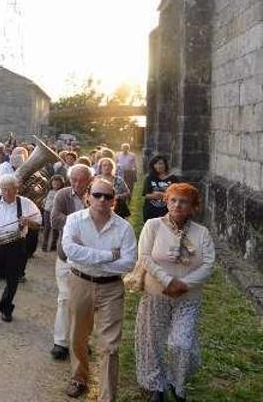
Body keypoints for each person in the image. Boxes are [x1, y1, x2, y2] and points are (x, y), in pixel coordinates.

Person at [134, 183, 214, 402]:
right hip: (156, 293)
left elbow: (208, 265)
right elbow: (145, 257)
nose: (178, 205)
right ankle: (156, 386)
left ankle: (177, 384)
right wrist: (168, 281)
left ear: (193, 207)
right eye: (173, 200)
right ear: (166, 202)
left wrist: (184, 284)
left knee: (182, 344)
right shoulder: (153, 226)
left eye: (184, 201)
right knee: (153, 341)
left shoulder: (202, 233)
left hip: (188, 298)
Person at [62, 178, 137, 401]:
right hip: (80, 282)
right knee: (77, 336)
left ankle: (107, 395)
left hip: (111, 287)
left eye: (108, 196)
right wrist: (108, 255)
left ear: (114, 201)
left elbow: (128, 263)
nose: (102, 200)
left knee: (110, 346)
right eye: (97, 195)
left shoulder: (124, 228)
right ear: (87, 197)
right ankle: (79, 378)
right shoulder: (74, 220)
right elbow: (70, 251)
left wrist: (91, 256)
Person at [0, 174, 42, 323]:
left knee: (12, 279)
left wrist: (28, 221)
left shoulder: (26, 203)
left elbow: (38, 224)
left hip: (16, 244)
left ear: (17, 189)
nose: (6, 193)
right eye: (4, 189)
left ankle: (6, 308)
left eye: (10, 190)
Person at [49, 164, 94, 361]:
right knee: (65, 298)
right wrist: (81, 221)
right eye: (74, 180)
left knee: (85, 303)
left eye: (81, 180)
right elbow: (54, 220)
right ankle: (60, 342)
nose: (77, 184)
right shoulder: (62, 195)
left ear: (89, 181)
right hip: (66, 256)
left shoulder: (96, 196)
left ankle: (81, 340)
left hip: (90, 259)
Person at [142, 155, 180, 222]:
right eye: (155, 164)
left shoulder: (173, 178)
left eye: (160, 163)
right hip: (151, 211)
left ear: (165, 164)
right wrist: (154, 196)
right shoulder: (149, 178)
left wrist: (164, 195)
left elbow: (178, 194)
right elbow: (145, 195)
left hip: (168, 211)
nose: (158, 166)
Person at [41, 174, 65, 252]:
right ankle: (44, 245)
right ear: (51, 183)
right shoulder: (48, 191)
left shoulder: (62, 192)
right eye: (54, 184)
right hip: (47, 211)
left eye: (58, 184)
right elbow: (45, 199)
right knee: (46, 228)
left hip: (56, 212)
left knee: (55, 229)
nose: (56, 186)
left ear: (61, 184)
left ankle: (53, 246)